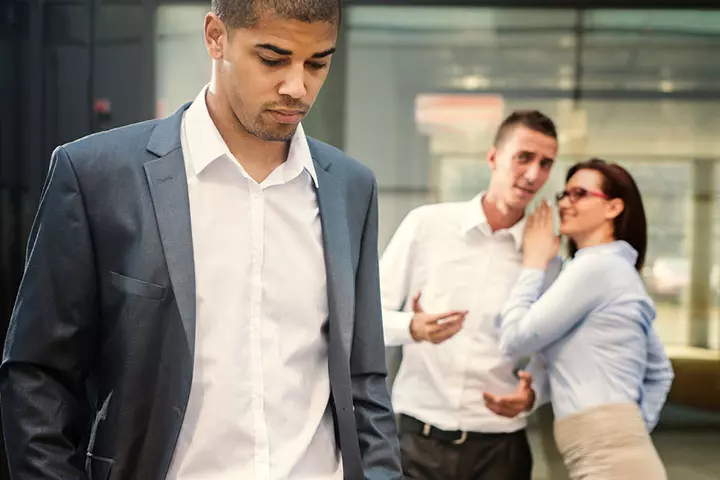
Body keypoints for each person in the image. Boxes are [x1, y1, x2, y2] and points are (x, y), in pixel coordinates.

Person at [0, 1, 403, 479]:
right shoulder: (98, 175)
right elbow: (38, 376)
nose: (297, 87)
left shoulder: (351, 187)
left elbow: (364, 378)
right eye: (273, 59)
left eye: (317, 62)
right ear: (216, 36)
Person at [380, 110, 563, 480]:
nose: (533, 175)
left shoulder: (547, 259)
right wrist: (412, 327)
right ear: (494, 157)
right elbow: (366, 316)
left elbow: (552, 351)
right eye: (523, 157)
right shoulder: (427, 225)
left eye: (545, 164)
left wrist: (533, 394)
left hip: (500, 451)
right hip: (416, 442)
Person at [497, 158, 674, 479]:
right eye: (563, 195)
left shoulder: (598, 269)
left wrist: (534, 263)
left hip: (609, 457)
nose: (565, 203)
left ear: (613, 208)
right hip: (609, 454)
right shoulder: (610, 270)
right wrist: (628, 432)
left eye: (579, 193)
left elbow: (514, 338)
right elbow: (660, 371)